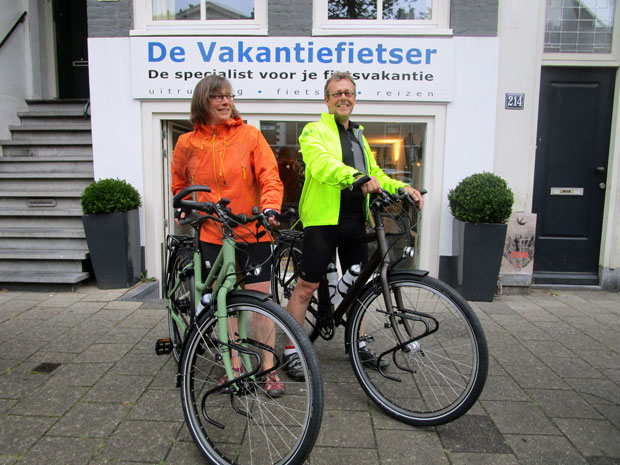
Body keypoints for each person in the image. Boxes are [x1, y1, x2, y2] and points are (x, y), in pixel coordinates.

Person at [283, 71, 424, 380]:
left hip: (355, 221)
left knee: (357, 287)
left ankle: (357, 343)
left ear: (355, 98)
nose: (343, 98)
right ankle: (292, 350)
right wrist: (355, 177)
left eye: (348, 93)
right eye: (337, 93)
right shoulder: (314, 131)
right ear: (327, 100)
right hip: (322, 221)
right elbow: (321, 165)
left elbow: (376, 174)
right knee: (307, 287)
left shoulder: (359, 136)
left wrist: (402, 188)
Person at [170, 75, 285, 397]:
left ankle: (268, 368)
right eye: (217, 96)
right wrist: (182, 205)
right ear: (202, 101)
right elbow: (179, 182)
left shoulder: (249, 135)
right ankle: (234, 365)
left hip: (252, 231)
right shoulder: (187, 143)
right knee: (226, 303)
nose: (225, 101)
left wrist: (271, 206)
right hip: (213, 233)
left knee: (261, 302)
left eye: (229, 96)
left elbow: (270, 176)